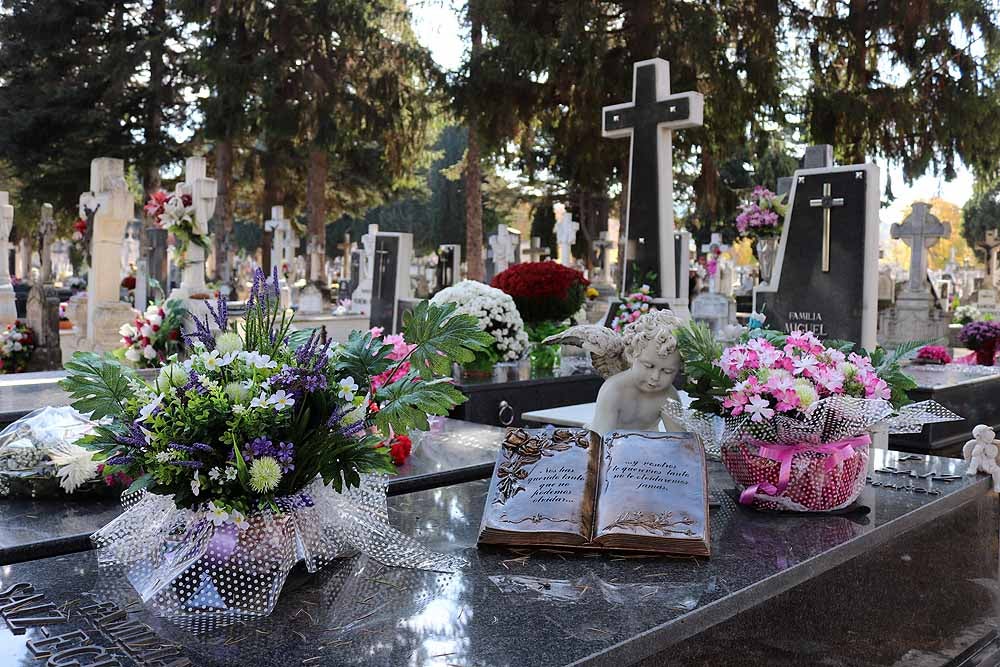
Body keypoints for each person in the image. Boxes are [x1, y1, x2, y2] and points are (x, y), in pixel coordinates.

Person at [589, 309, 684, 435]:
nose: (655, 377)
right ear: (631, 354)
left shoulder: (669, 397)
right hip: (612, 449)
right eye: (649, 366)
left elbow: (679, 441)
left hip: (647, 450)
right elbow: (601, 441)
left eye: (667, 371)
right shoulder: (614, 390)